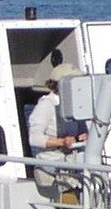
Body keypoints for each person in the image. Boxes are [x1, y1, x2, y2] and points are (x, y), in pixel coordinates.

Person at [28, 69, 86, 199]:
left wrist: (84, 136)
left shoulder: (76, 106)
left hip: (72, 167)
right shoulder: (46, 105)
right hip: (50, 170)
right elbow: (34, 138)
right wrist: (62, 142)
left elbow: (82, 130)